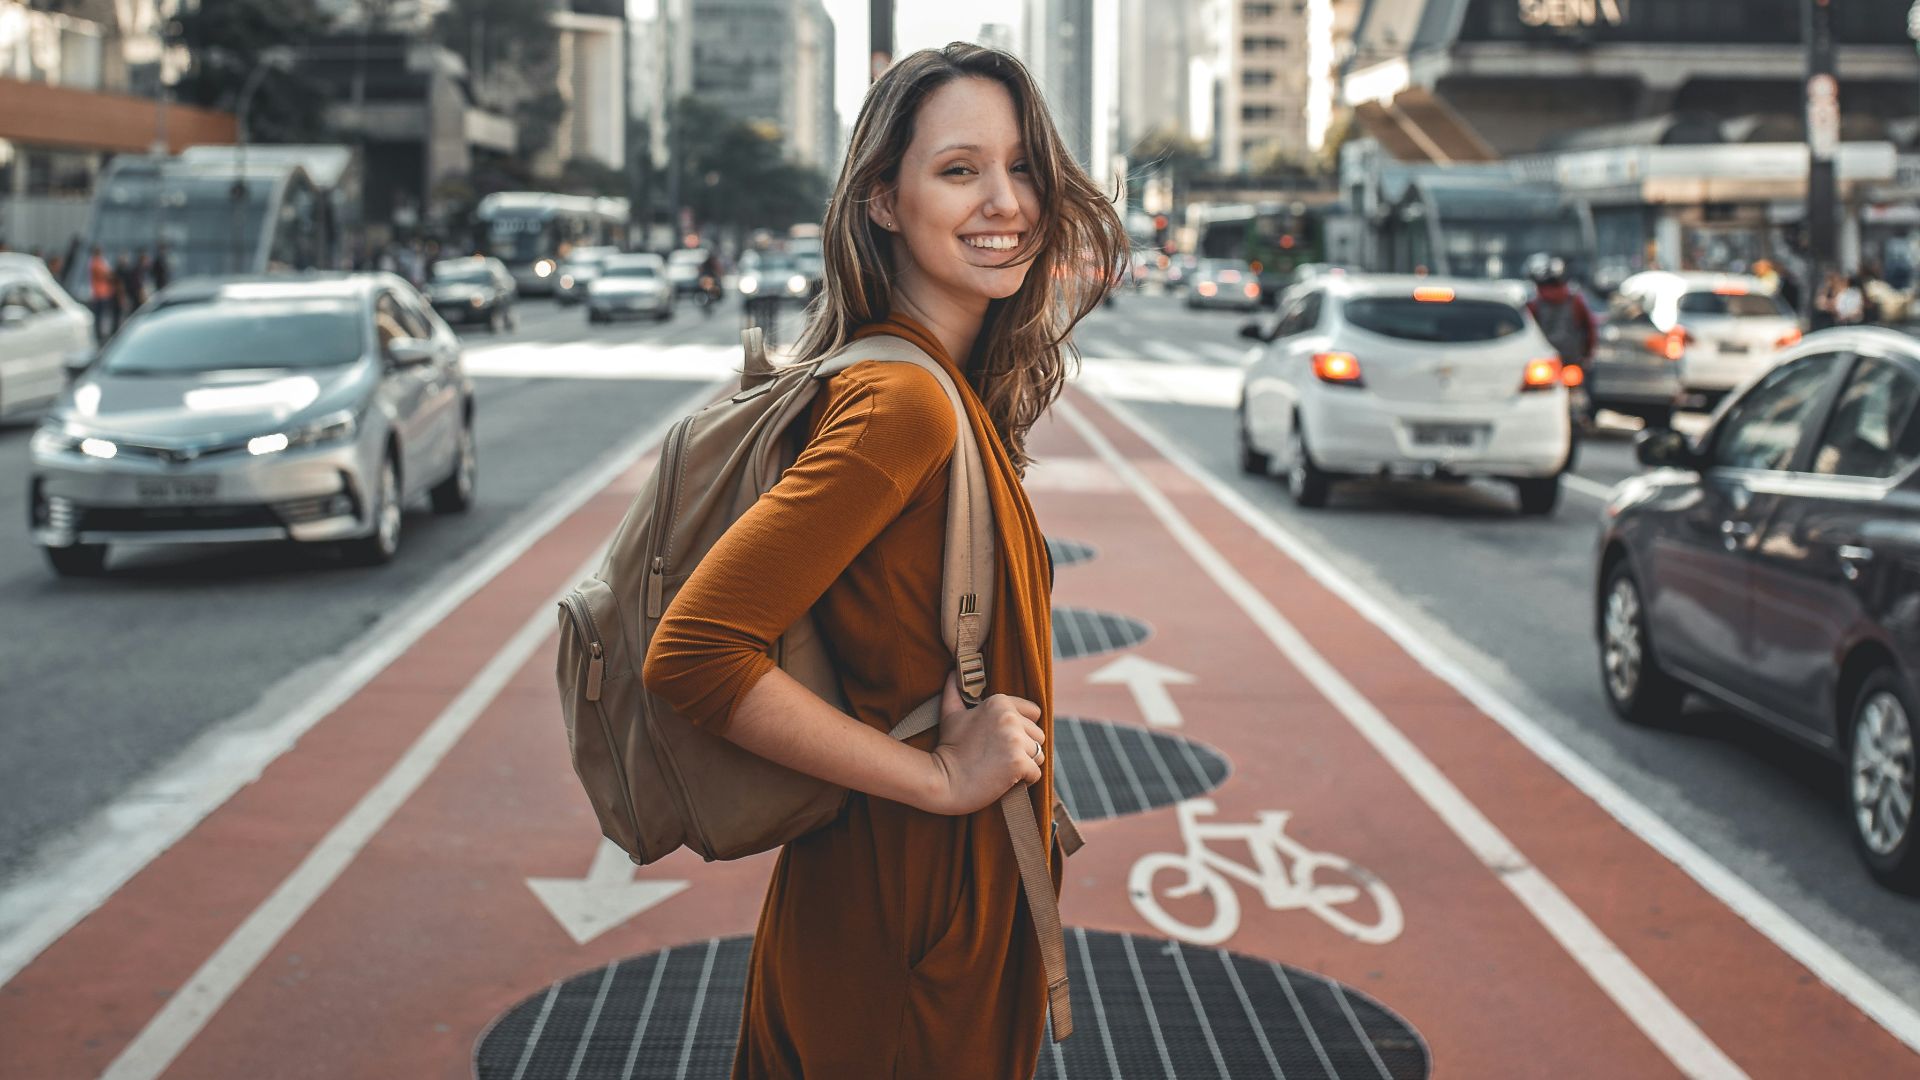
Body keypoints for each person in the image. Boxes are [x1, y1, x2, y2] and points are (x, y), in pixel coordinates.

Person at [641, 43, 1123, 1079]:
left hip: (925, 911)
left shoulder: (940, 383)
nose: (1007, 201)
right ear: (883, 203)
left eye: (1023, 165)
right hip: (905, 928)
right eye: (959, 171)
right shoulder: (901, 402)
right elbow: (694, 654)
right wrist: (945, 778)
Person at [1523, 253, 1595, 421]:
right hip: (1572, 360)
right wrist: (1587, 355)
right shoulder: (1575, 301)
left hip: (1544, 363)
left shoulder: (1533, 305)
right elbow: (1590, 329)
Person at [87, 246, 115, 338]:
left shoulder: (97, 262)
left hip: (101, 292)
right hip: (100, 293)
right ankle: (99, 335)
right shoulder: (97, 263)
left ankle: (100, 333)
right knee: (100, 315)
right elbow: (106, 274)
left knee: (101, 315)